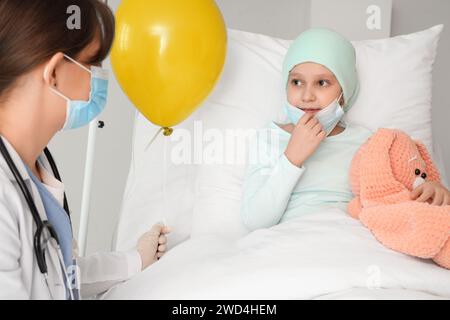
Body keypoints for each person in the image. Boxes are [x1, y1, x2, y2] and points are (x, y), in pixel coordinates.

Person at [0, 0, 170, 299]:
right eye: (92, 63)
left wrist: (135, 259)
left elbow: (57, 272)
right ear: (53, 72)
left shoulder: (36, 164)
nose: (99, 77)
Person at [241, 28, 450, 231]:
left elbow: (397, 194)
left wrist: (432, 191)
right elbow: (256, 220)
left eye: (322, 83)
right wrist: (292, 158)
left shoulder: (367, 142)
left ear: (344, 91)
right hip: (289, 240)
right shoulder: (270, 138)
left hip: (352, 241)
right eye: (297, 82)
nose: (307, 96)